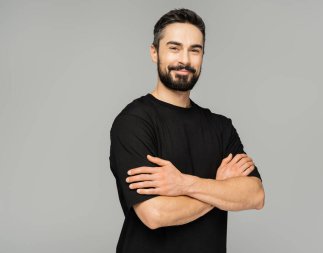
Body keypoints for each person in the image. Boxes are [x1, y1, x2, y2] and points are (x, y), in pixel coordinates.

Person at [109, 8, 265, 253]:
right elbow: (155, 214)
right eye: (174, 48)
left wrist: (184, 184)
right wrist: (219, 187)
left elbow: (255, 195)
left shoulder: (221, 127)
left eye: (195, 50)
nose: (185, 60)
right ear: (154, 52)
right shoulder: (134, 122)